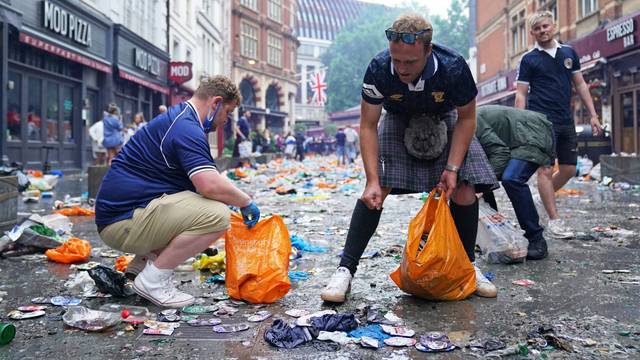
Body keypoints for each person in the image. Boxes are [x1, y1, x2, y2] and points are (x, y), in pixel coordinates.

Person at [320, 13, 499, 303]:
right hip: (398, 118)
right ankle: (345, 270)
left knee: (464, 188)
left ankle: (467, 268)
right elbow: (367, 125)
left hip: (447, 117)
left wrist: (452, 168)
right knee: (375, 193)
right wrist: (372, 180)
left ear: (428, 50)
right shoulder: (379, 68)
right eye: (396, 60)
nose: (401, 68)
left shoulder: (453, 68)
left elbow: (467, 119)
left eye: (410, 62)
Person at [95, 76, 261, 308]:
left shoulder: (180, 119)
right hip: (122, 221)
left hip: (120, 215)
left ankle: (136, 273)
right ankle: (152, 282)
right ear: (216, 103)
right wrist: (245, 202)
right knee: (217, 216)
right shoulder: (187, 127)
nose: (226, 121)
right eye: (228, 112)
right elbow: (208, 184)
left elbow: (198, 186)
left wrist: (229, 195)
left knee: (197, 209)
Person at [515, 10, 602, 239]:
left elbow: (581, 85)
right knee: (545, 169)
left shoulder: (569, 53)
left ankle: (542, 198)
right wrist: (519, 122)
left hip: (565, 119)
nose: (542, 31)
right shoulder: (529, 59)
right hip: (540, 121)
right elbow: (521, 94)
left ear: (553, 26)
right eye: (537, 28)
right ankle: (554, 222)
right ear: (532, 33)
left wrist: (593, 115)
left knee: (569, 169)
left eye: (545, 26)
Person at [476, 105, 555, 260]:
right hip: (517, 136)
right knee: (477, 180)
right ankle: (494, 235)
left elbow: (500, 152)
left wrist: (479, 187)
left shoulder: (468, 123)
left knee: (512, 179)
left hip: (533, 132)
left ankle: (537, 240)